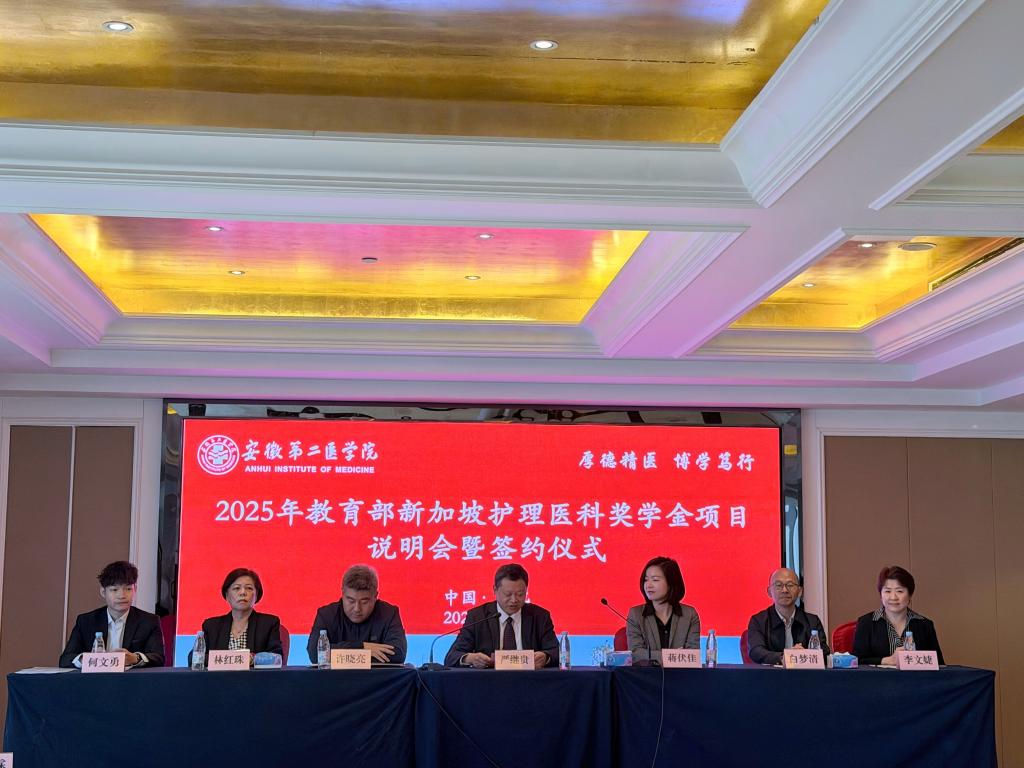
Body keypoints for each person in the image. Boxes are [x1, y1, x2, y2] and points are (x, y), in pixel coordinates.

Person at [445, 563, 560, 668]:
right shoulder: (478, 616)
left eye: (520, 594)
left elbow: (558, 652)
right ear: (495, 590)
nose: (514, 600)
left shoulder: (540, 617)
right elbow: (452, 656)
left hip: (529, 679)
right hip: (490, 681)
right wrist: (470, 658)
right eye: (508, 594)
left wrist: (546, 657)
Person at [59, 560, 164, 668]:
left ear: (135, 590)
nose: (122, 595)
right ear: (103, 592)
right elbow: (65, 659)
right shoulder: (86, 621)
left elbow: (159, 658)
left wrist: (134, 658)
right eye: (114, 590)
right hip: (95, 677)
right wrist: (88, 659)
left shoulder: (149, 621)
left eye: (128, 589)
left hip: (131, 678)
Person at [306, 564, 407, 664]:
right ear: (342, 593)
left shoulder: (389, 614)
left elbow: (397, 655)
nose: (357, 609)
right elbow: (315, 654)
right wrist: (362, 647)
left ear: (375, 596)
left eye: (364, 602)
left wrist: (340, 654)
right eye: (351, 601)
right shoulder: (326, 615)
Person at [853, 565, 944, 666]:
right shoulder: (866, 623)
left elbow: (939, 664)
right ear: (881, 595)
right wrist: (887, 660)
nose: (893, 597)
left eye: (899, 591)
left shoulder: (925, 625)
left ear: (910, 595)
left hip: (916, 677)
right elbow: (856, 661)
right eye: (887, 591)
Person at [192, 568, 283, 664]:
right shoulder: (211, 626)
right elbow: (194, 658)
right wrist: (232, 659)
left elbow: (277, 657)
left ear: (256, 595)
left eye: (249, 588)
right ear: (227, 595)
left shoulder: (269, 624)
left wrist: (252, 659)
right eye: (236, 588)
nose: (243, 593)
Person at [746, 567, 830, 664]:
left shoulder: (812, 621)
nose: (785, 590)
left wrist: (803, 655)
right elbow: (756, 651)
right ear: (769, 592)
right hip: (772, 673)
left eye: (790, 585)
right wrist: (785, 657)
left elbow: (824, 652)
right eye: (779, 585)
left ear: (799, 591)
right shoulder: (758, 621)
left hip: (804, 672)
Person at [626, 556, 700, 664]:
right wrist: (671, 656)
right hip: (647, 674)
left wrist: (653, 655)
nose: (648, 585)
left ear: (670, 583)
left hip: (681, 673)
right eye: (646, 580)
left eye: (655, 580)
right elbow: (636, 654)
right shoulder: (636, 614)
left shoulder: (689, 615)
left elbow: (692, 656)